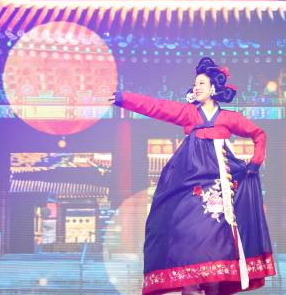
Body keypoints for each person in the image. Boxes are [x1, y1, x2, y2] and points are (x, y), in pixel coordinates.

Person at [108, 57, 275, 295]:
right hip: (189, 183)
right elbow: (156, 106)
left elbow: (259, 134)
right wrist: (125, 99)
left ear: (214, 88)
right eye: (195, 84)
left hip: (220, 186)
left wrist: (255, 163)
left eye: (202, 83)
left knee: (218, 247)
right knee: (186, 234)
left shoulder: (229, 118)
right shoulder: (188, 113)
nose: (196, 87)